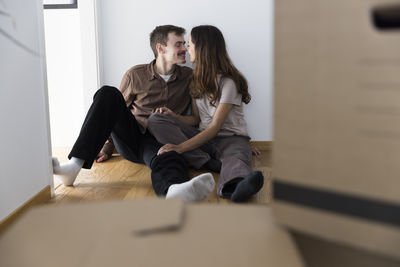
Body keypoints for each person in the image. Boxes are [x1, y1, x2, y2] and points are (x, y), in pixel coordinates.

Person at [52, 25, 216, 202]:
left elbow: (195, 119)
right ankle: (74, 166)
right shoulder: (135, 75)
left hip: (163, 138)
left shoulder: (189, 77)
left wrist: (174, 118)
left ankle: (173, 190)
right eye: (178, 44)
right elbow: (112, 111)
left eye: (185, 44)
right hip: (133, 138)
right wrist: (107, 148)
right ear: (160, 48)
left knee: (167, 155)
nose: (185, 48)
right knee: (108, 93)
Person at [147, 25, 264, 203]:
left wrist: (180, 148)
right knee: (156, 119)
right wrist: (174, 117)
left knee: (235, 158)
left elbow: (216, 127)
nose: (186, 48)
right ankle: (210, 163)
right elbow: (195, 119)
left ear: (202, 48)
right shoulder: (194, 80)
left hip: (230, 138)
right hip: (204, 139)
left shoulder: (228, 82)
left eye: (190, 44)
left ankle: (237, 187)